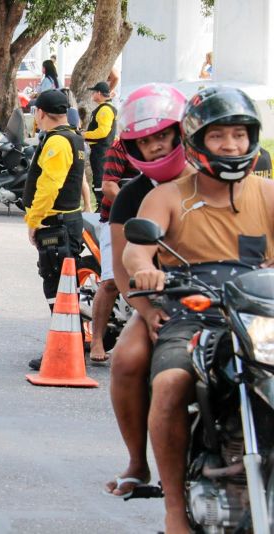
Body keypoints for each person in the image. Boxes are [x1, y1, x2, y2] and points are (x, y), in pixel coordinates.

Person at [123, 86, 272, 534]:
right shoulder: (167, 196)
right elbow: (136, 252)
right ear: (196, 141)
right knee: (169, 384)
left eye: (240, 136)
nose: (231, 146)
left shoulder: (267, 194)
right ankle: (173, 511)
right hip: (192, 312)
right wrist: (147, 270)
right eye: (219, 136)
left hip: (259, 318)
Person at [103, 83, 189, 499]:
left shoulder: (220, 179)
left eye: (162, 136)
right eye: (145, 140)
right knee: (126, 359)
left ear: (180, 132)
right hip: (163, 300)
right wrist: (149, 310)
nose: (156, 146)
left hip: (230, 296)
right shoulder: (132, 197)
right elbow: (124, 269)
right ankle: (138, 461)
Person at [23, 89, 86, 370]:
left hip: (55, 223)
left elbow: (50, 185)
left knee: (56, 285)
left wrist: (34, 220)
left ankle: (63, 347)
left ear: (40, 113)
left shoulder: (57, 142)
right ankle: (68, 342)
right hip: (67, 220)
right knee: (63, 285)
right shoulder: (73, 137)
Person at [88, 139, 139, 363]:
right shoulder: (122, 147)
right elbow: (109, 186)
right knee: (110, 281)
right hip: (118, 219)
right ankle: (97, 339)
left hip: (155, 220)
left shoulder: (174, 148)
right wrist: (133, 205)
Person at [83, 81, 117, 209]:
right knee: (100, 178)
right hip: (102, 150)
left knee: (99, 179)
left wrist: (84, 135)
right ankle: (102, 205)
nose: (92, 94)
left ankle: (102, 206)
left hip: (101, 151)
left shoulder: (105, 109)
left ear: (98, 93)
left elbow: (103, 132)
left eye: (93, 92)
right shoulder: (107, 108)